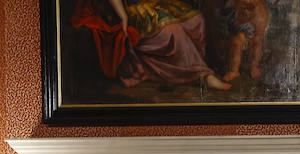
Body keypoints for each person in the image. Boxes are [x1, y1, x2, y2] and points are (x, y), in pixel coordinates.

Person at [71, 0, 233, 91]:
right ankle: (203, 76)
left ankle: (193, 68)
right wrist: (123, 17)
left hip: (150, 3)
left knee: (196, 20)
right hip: (120, 8)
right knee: (172, 31)